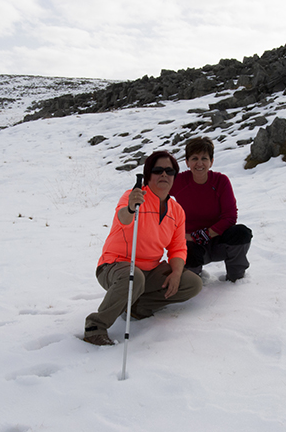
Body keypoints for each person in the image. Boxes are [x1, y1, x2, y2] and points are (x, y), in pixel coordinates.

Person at [84, 151, 203, 346]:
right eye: (158, 170)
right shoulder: (134, 197)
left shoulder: (176, 210)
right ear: (148, 175)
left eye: (169, 171)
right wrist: (131, 207)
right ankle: (95, 327)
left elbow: (178, 246)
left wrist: (176, 272)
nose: (164, 174)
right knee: (134, 277)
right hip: (115, 266)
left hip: (150, 270)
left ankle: (137, 306)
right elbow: (123, 218)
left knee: (192, 283)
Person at [170, 137, 252, 282]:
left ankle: (236, 280)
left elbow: (230, 217)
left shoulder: (221, 181)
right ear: (187, 162)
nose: (199, 163)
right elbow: (156, 192)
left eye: (204, 158)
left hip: (218, 241)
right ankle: (192, 283)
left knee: (241, 233)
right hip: (191, 244)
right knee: (187, 259)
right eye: (194, 158)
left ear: (211, 161)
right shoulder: (179, 182)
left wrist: (203, 235)